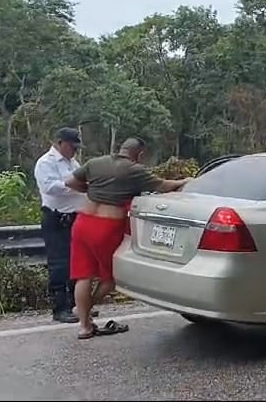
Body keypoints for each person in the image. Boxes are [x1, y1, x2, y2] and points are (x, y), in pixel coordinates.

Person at [64, 137, 191, 339]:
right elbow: (163, 186)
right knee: (111, 278)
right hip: (106, 227)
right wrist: (184, 181)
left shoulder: (96, 163)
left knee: (83, 275)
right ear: (139, 155)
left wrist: (92, 190)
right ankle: (86, 311)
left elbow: (70, 182)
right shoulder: (134, 170)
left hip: (82, 222)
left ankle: (84, 325)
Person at [34, 127, 95, 323]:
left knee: (76, 263)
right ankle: (60, 308)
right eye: (71, 146)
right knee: (59, 264)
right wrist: (73, 185)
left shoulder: (72, 162)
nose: (74, 150)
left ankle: (77, 306)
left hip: (75, 218)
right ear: (59, 143)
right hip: (57, 219)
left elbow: (80, 183)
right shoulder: (46, 163)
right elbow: (50, 188)